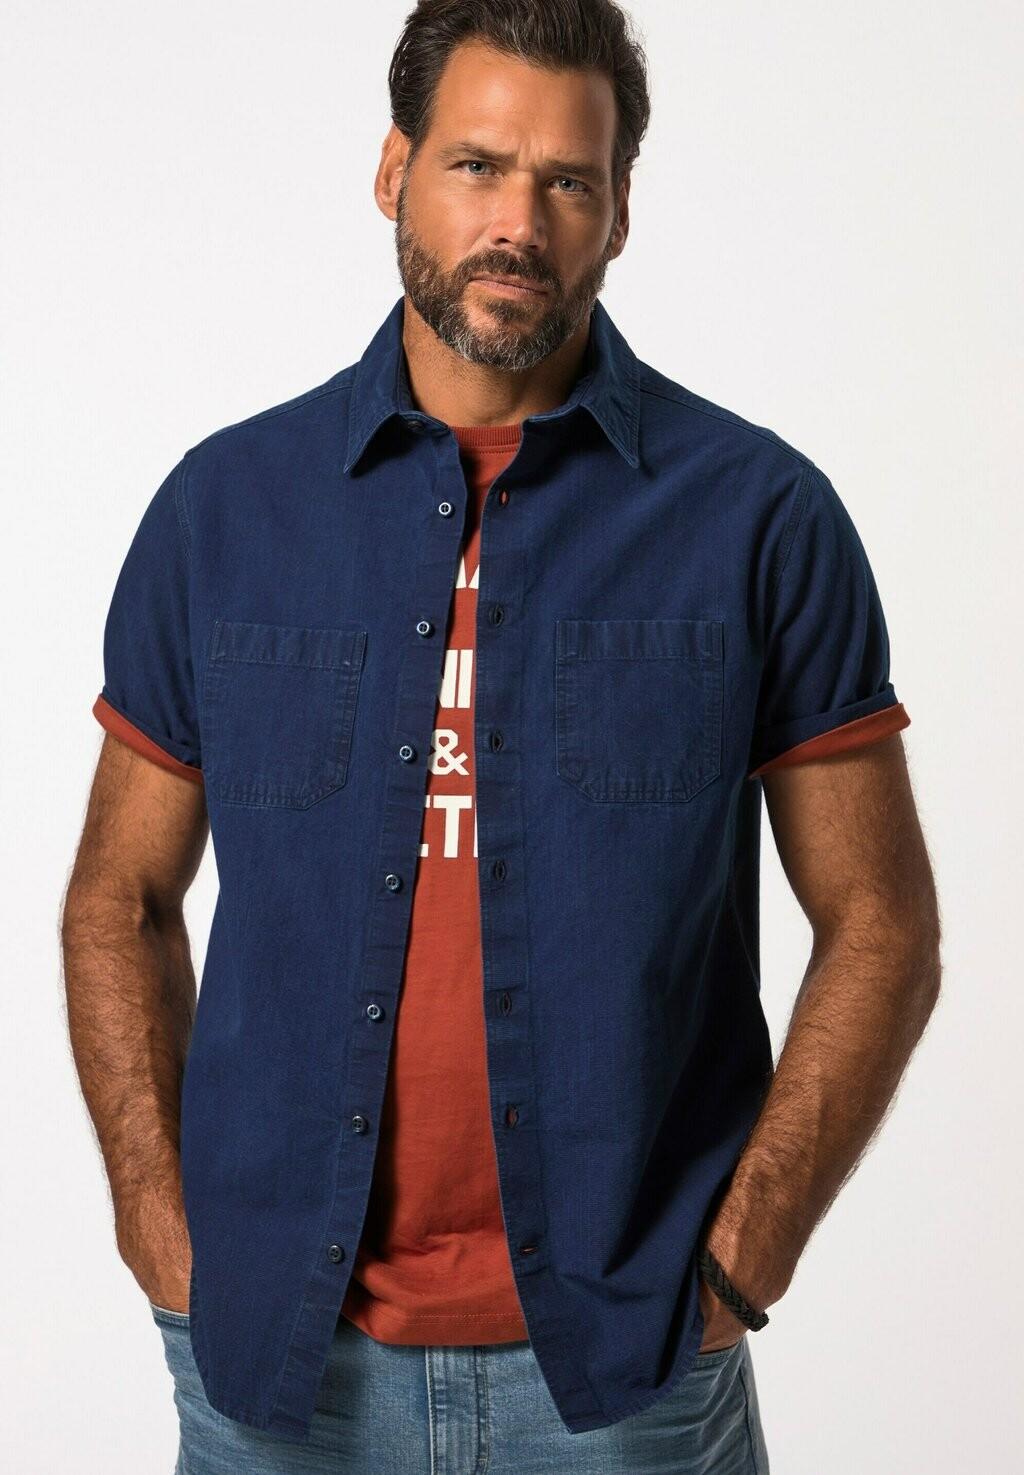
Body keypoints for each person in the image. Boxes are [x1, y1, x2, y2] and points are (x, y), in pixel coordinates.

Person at [60, 2, 941, 1471]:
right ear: (393, 169)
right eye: (476, 164)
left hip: (626, 1369)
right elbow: (120, 894)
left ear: (620, 211)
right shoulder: (225, 511)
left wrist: (744, 1260)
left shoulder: (757, 518)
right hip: (274, 1361)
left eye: (566, 181)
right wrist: (162, 1228)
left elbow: (882, 920)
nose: (517, 222)